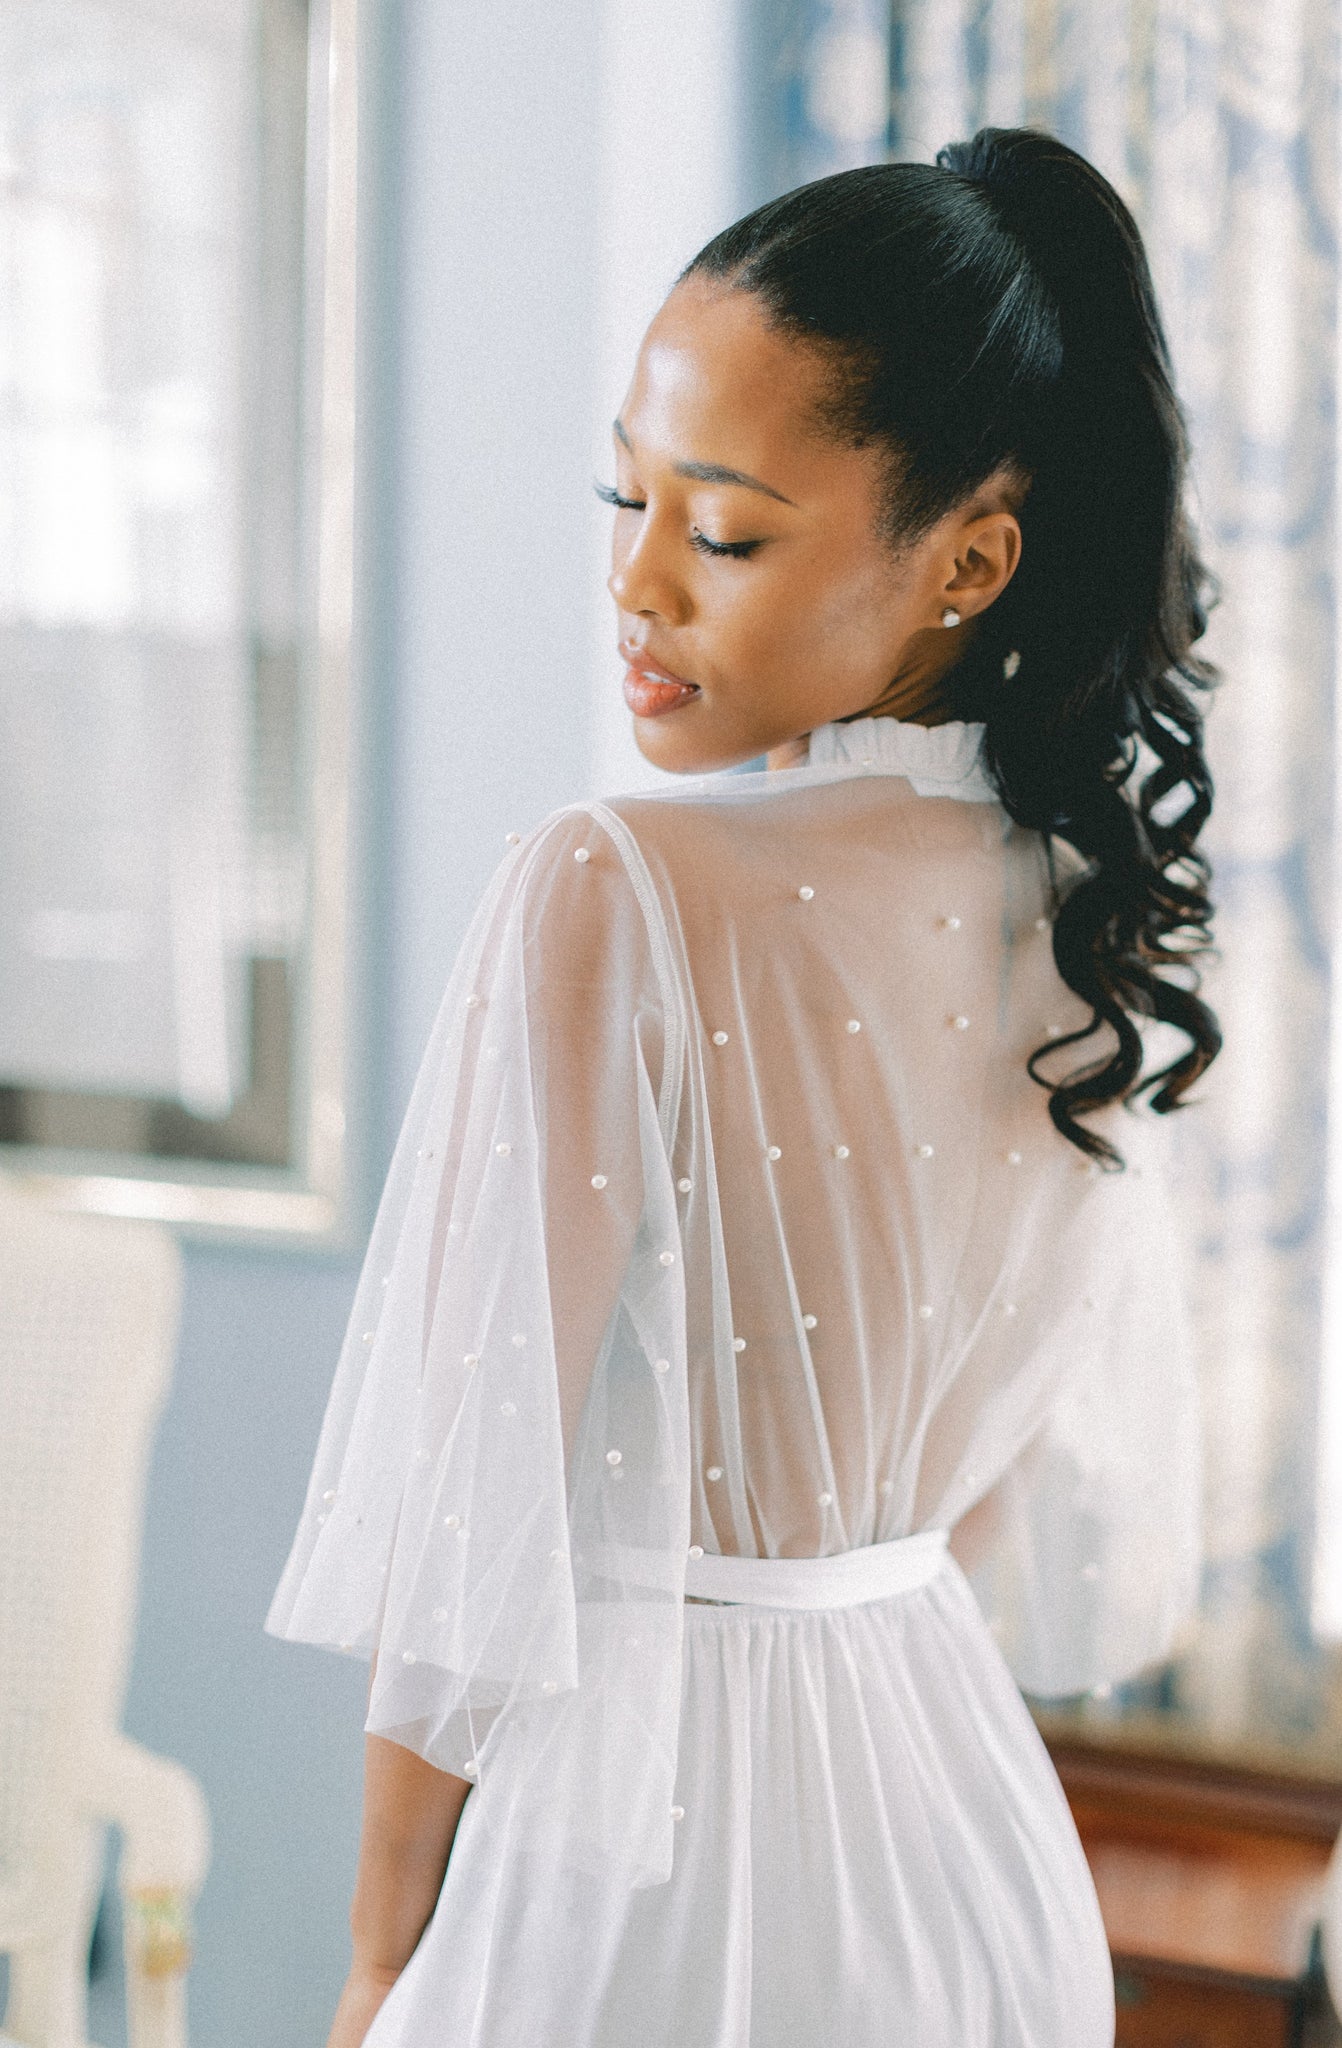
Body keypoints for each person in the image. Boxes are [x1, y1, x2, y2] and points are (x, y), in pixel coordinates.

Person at [268, 125, 1221, 2047]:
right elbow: (994, 1491)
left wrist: (380, 1957)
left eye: (719, 532)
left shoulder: (610, 892)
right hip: (962, 1845)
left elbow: (469, 1533)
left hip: (647, 1862)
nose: (635, 589)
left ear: (967, 556)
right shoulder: (1086, 915)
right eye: (618, 501)